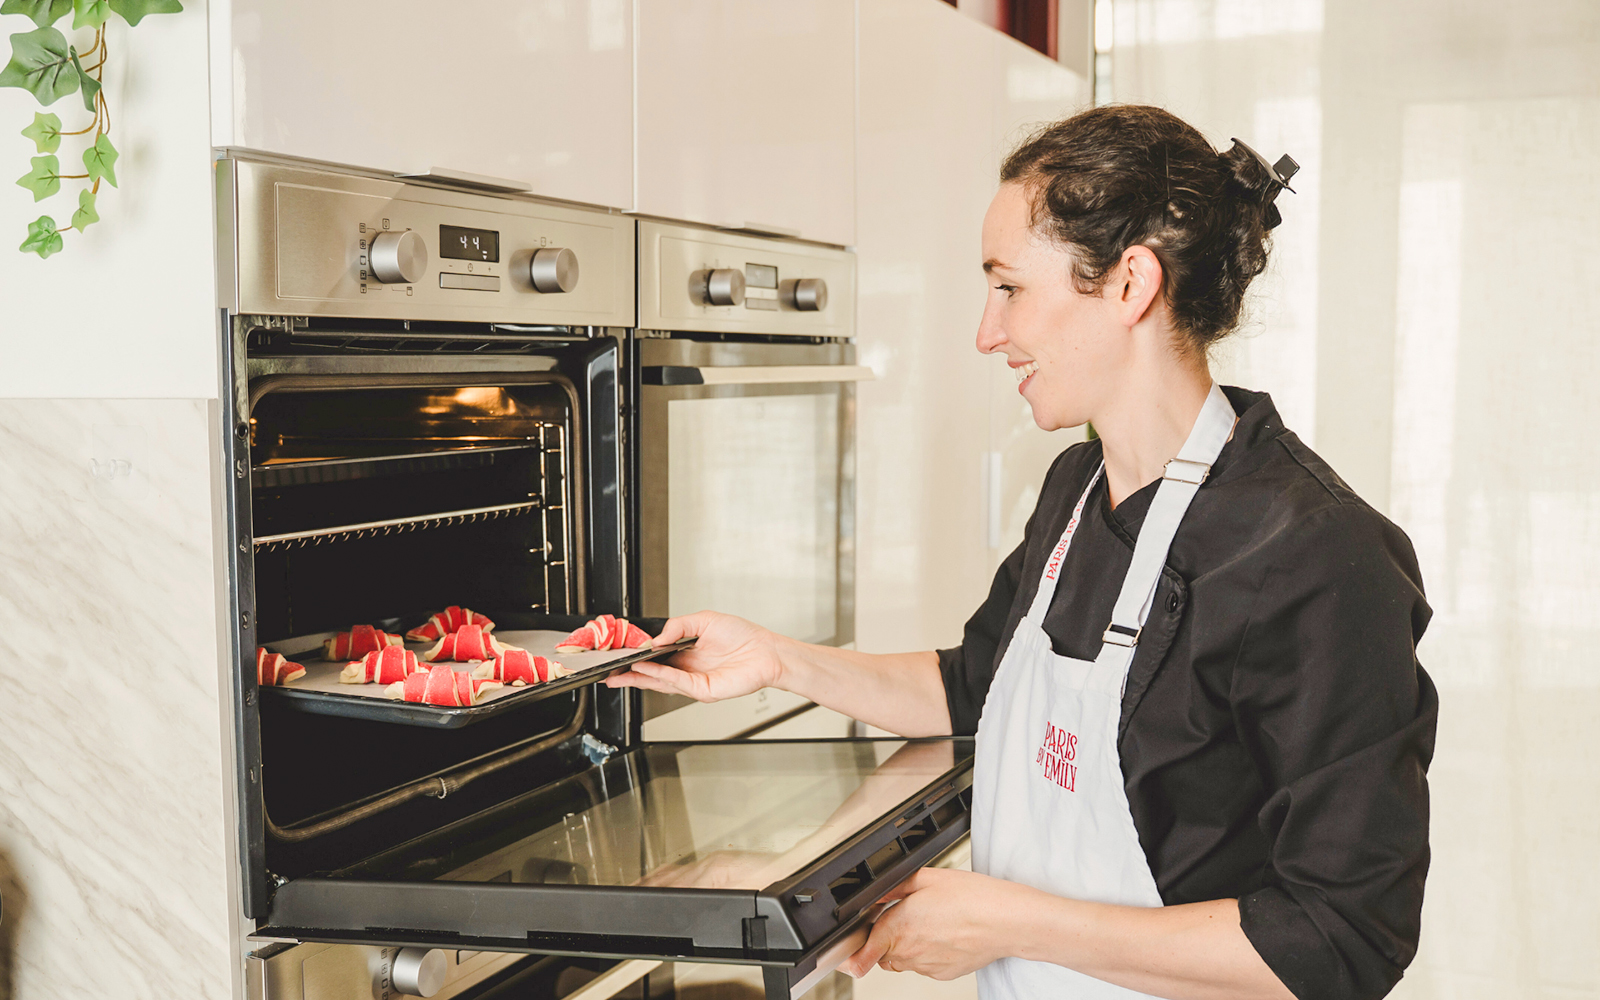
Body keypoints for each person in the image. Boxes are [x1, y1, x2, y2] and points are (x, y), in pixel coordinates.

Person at [606, 104, 1436, 1000]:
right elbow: (977, 686)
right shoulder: (1077, 490)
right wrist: (778, 662)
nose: (986, 332)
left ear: (1129, 285)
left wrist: (1007, 922)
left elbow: (1341, 941)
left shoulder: (1319, 558)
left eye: (1008, 288)